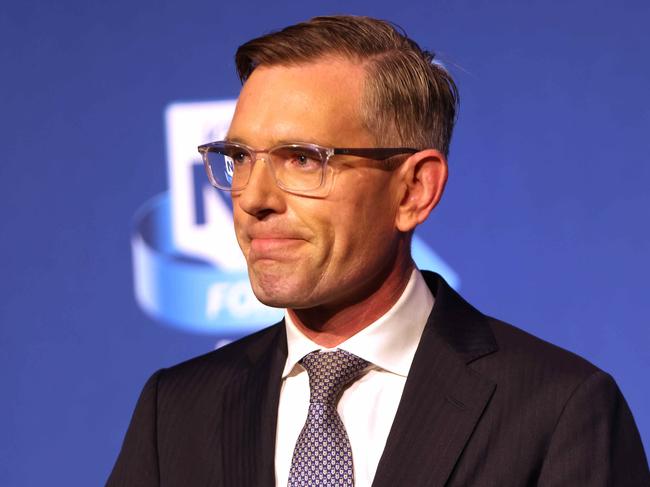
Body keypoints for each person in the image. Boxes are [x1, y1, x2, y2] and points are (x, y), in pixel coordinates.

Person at [107, 15, 649, 487]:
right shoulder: (176, 410)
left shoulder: (557, 410)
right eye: (241, 157)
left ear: (414, 191)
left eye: (301, 158)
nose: (254, 198)